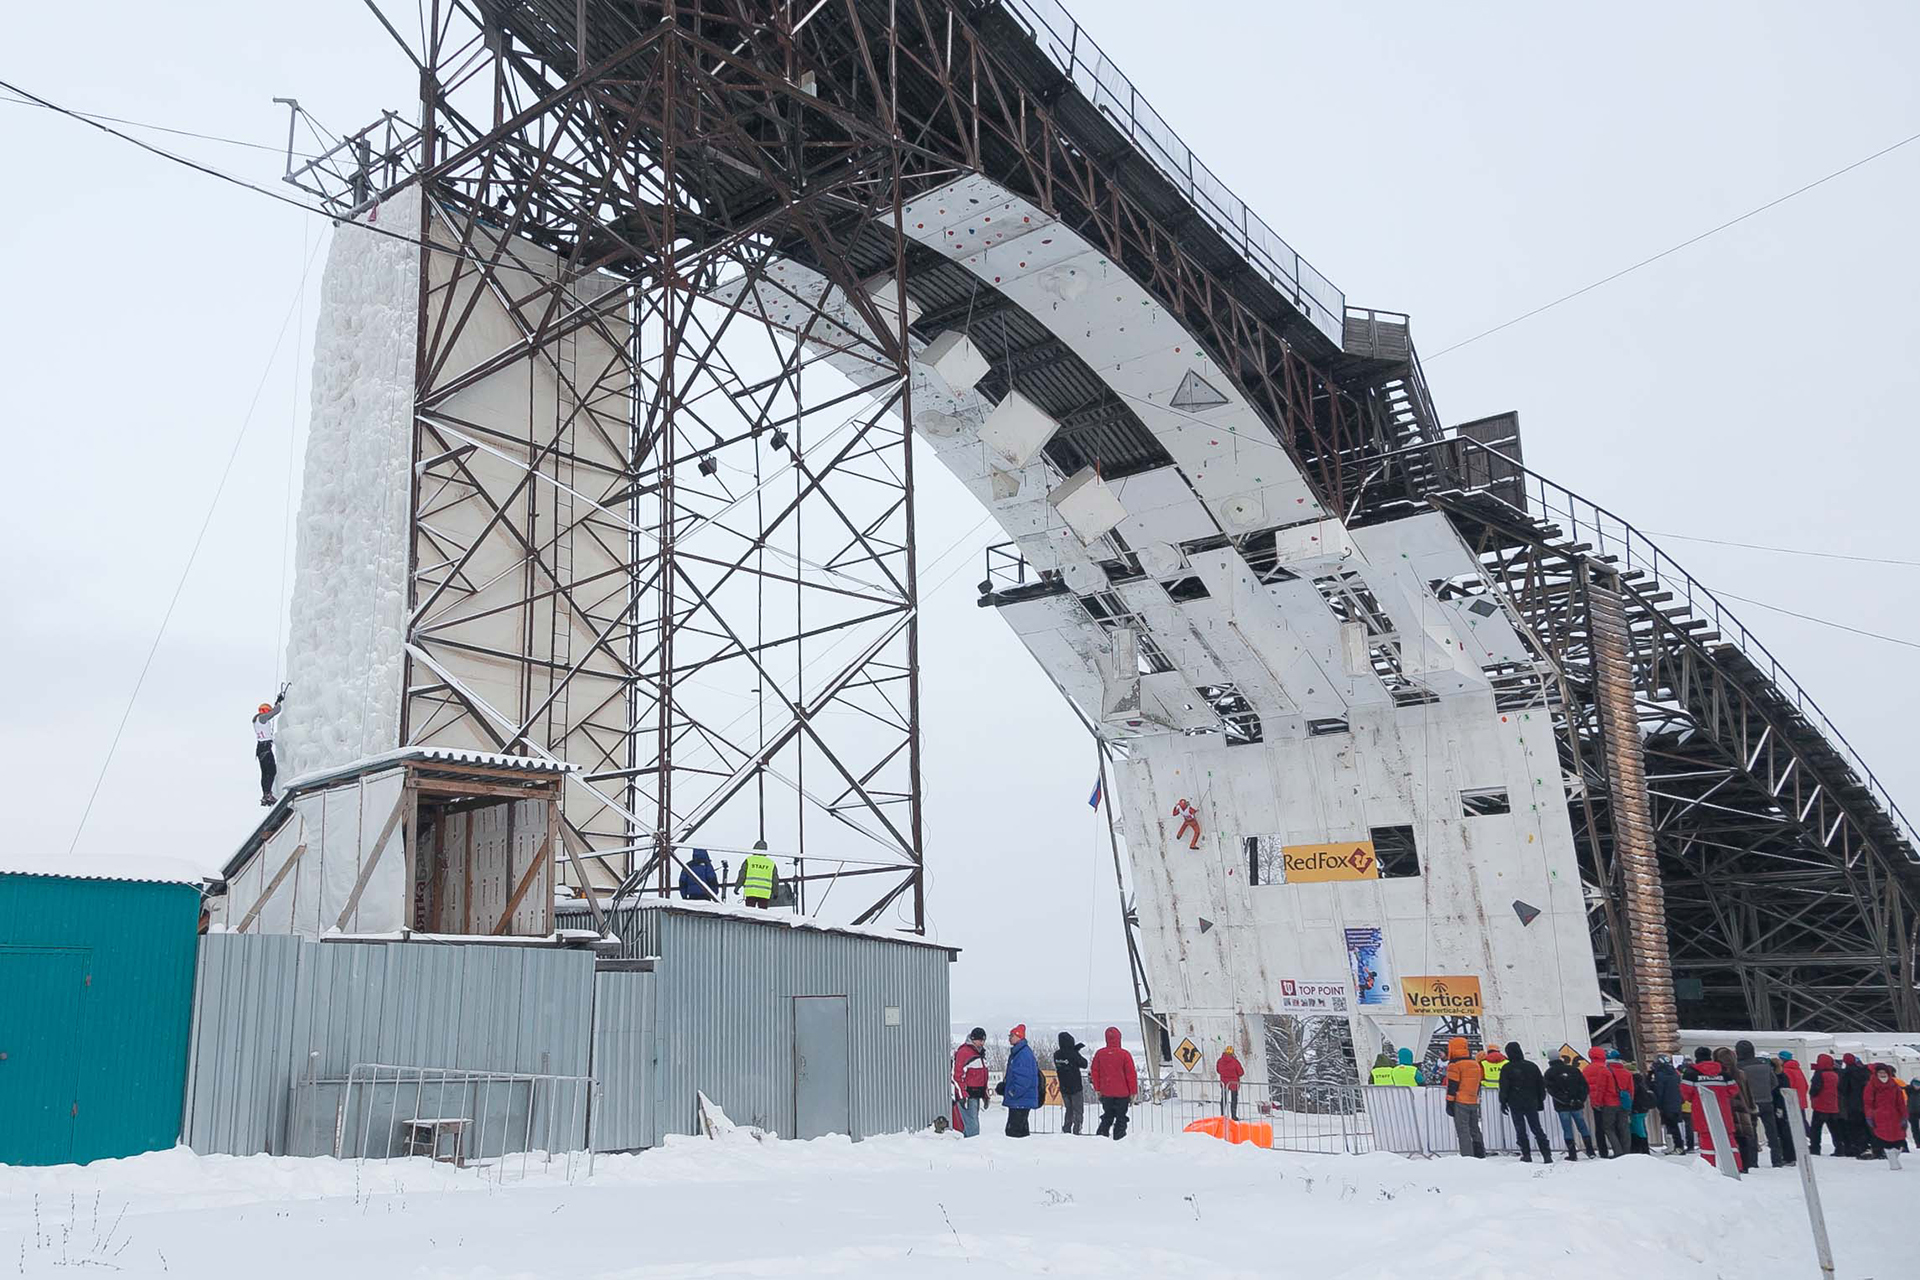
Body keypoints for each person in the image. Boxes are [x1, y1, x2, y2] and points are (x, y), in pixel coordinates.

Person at [1683, 1053, 1744, 1172]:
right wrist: (1722, 1097)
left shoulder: (1691, 1074)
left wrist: (1695, 1099)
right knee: (1729, 1140)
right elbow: (1734, 1090)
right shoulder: (1723, 1073)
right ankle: (1736, 1166)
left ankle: (1709, 1168)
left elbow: (1685, 1093)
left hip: (1702, 1112)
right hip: (1723, 1111)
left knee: (1706, 1141)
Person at [1735, 1039, 1790, 1167]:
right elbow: (1774, 1082)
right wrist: (1765, 1091)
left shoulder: (1739, 1068)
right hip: (1766, 1101)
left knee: (1751, 1133)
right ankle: (1776, 1159)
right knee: (1772, 1131)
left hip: (1749, 1103)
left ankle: (1752, 1161)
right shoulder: (1765, 1065)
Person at [1497, 1042, 1551, 1164]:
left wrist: (1503, 1102)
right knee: (1537, 1128)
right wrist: (1540, 1099)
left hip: (1515, 1102)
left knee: (1520, 1129)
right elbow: (1540, 1085)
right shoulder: (1532, 1066)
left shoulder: (1507, 1068)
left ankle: (1526, 1154)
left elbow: (1504, 1087)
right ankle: (1546, 1155)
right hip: (1531, 1101)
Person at [1544, 1048, 1596, 1160]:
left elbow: (1552, 1091)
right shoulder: (1574, 1070)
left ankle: (1572, 1153)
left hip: (1562, 1106)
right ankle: (1590, 1150)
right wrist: (1579, 1099)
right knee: (1582, 1126)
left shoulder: (1549, 1073)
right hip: (1577, 1104)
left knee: (1567, 1129)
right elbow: (1584, 1086)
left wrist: (1565, 1100)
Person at [1714, 1046, 1760, 1171]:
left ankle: (1731, 1164)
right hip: (1742, 1110)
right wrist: (1751, 1109)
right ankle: (1745, 1165)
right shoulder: (1740, 1073)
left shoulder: (1717, 1075)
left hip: (1725, 1109)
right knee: (1743, 1139)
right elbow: (1748, 1093)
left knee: (1727, 1139)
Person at [1090, 1026, 1137, 1140]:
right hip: (1123, 1093)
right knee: (1121, 1118)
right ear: (1119, 1038)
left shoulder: (1100, 1054)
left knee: (1107, 1116)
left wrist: (1097, 1089)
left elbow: (1095, 1073)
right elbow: (1131, 1075)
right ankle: (1119, 1138)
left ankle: (1101, 1137)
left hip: (1106, 1092)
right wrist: (1133, 1092)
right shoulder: (1125, 1054)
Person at [1860, 1062, 1908, 1168]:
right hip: (1879, 1116)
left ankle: (1894, 1158)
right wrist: (1869, 1116)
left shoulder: (1894, 1085)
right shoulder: (1871, 1086)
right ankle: (1893, 1162)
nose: (1882, 1074)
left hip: (1895, 1116)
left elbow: (1900, 1102)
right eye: (1880, 1072)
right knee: (1886, 1140)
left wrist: (1904, 1116)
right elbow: (1868, 1103)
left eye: (1884, 1072)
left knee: (1899, 1140)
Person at [1443, 1036, 1485, 1158]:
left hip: (1460, 1101)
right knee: (1475, 1129)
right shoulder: (1475, 1064)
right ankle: (1480, 1153)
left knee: (1463, 1131)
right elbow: (1478, 1084)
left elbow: (1452, 1086)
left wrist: (1449, 1103)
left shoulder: (1454, 1065)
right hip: (1473, 1100)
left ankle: (1467, 1156)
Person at [1584, 1044, 1628, 1158]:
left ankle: (1603, 1151)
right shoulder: (1611, 1069)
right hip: (1617, 1101)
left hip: (1600, 1101)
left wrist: (1595, 1101)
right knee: (1620, 1126)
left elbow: (1596, 1087)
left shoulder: (1587, 1069)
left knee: (1601, 1127)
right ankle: (1624, 1150)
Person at [999, 1025, 1040, 1138]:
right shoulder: (1020, 1052)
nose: (1009, 1038)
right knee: (1021, 1132)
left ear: (1019, 1036)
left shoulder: (1023, 1055)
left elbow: (1023, 1079)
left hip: (1020, 1100)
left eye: (1012, 1035)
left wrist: (1013, 1092)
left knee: (1013, 1132)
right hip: (1021, 1100)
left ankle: (1017, 1153)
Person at [252, 684, 288, 805]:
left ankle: (266, 794)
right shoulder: (261, 718)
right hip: (265, 748)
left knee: (266, 772)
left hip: (262, 748)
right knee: (271, 771)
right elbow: (275, 712)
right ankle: (267, 794)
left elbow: (272, 712)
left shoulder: (259, 720)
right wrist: (279, 703)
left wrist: (277, 701)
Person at [952, 1028, 989, 1138]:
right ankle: (972, 1146)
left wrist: (985, 1094)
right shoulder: (964, 1052)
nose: (982, 1043)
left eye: (983, 1040)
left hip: (976, 1094)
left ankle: (972, 1144)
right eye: (979, 1040)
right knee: (972, 1125)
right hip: (968, 1095)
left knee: (973, 1122)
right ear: (973, 1039)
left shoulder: (980, 1053)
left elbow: (983, 1077)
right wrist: (962, 1095)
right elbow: (957, 1076)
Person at [1808, 1052, 1847, 1156]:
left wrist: (1812, 1095)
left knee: (1816, 1129)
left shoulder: (1819, 1074)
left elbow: (1815, 1090)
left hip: (1820, 1106)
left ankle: (1815, 1149)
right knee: (1835, 1130)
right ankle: (1839, 1148)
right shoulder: (1835, 1074)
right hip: (1833, 1107)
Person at [1650, 1054, 1688, 1154]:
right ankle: (1677, 1146)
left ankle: (1676, 1146)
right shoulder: (1675, 1074)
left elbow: (1659, 1090)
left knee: (1670, 1125)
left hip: (1666, 1103)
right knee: (1675, 1125)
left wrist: (1657, 1102)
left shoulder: (1660, 1075)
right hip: (1676, 1102)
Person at [1054, 1032, 1089, 1135]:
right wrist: (1076, 1051)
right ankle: (1077, 1129)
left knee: (1069, 1110)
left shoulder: (1057, 1054)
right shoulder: (1072, 1054)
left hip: (1064, 1087)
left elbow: (1067, 1058)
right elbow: (1084, 1063)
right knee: (1078, 1110)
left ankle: (1066, 1129)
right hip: (1075, 1087)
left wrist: (1074, 1051)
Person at [1839, 1053, 1871, 1156]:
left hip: (1852, 1103)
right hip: (1864, 1102)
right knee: (1865, 1125)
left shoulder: (1846, 1073)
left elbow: (1842, 1089)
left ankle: (1858, 1147)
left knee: (1854, 1127)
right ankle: (1868, 1145)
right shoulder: (1864, 1071)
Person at [735, 841, 777, 909]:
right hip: (764, 893)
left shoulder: (749, 860)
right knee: (763, 915)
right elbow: (775, 880)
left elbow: (742, 875)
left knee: (750, 913)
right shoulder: (771, 863)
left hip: (751, 891)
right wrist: (775, 892)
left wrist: (737, 887)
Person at [1778, 1050, 1811, 1116]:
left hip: (1792, 1101)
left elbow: (1788, 1086)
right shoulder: (1797, 1069)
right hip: (1801, 1100)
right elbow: (1806, 1085)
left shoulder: (1785, 1071)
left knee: (1793, 1123)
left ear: (1782, 1059)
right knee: (1803, 1121)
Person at [1216, 1046, 1245, 1119]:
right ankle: (1233, 1115)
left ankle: (1222, 1114)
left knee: (1224, 1099)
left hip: (1224, 1083)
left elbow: (1218, 1071)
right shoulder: (1235, 1062)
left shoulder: (1220, 1061)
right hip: (1233, 1084)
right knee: (1234, 1099)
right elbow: (1241, 1072)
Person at [1906, 1071, 1920, 1148]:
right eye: (1915, 1084)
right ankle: (1918, 1143)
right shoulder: (1908, 1090)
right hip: (1911, 1112)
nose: (1917, 1086)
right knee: (1915, 1129)